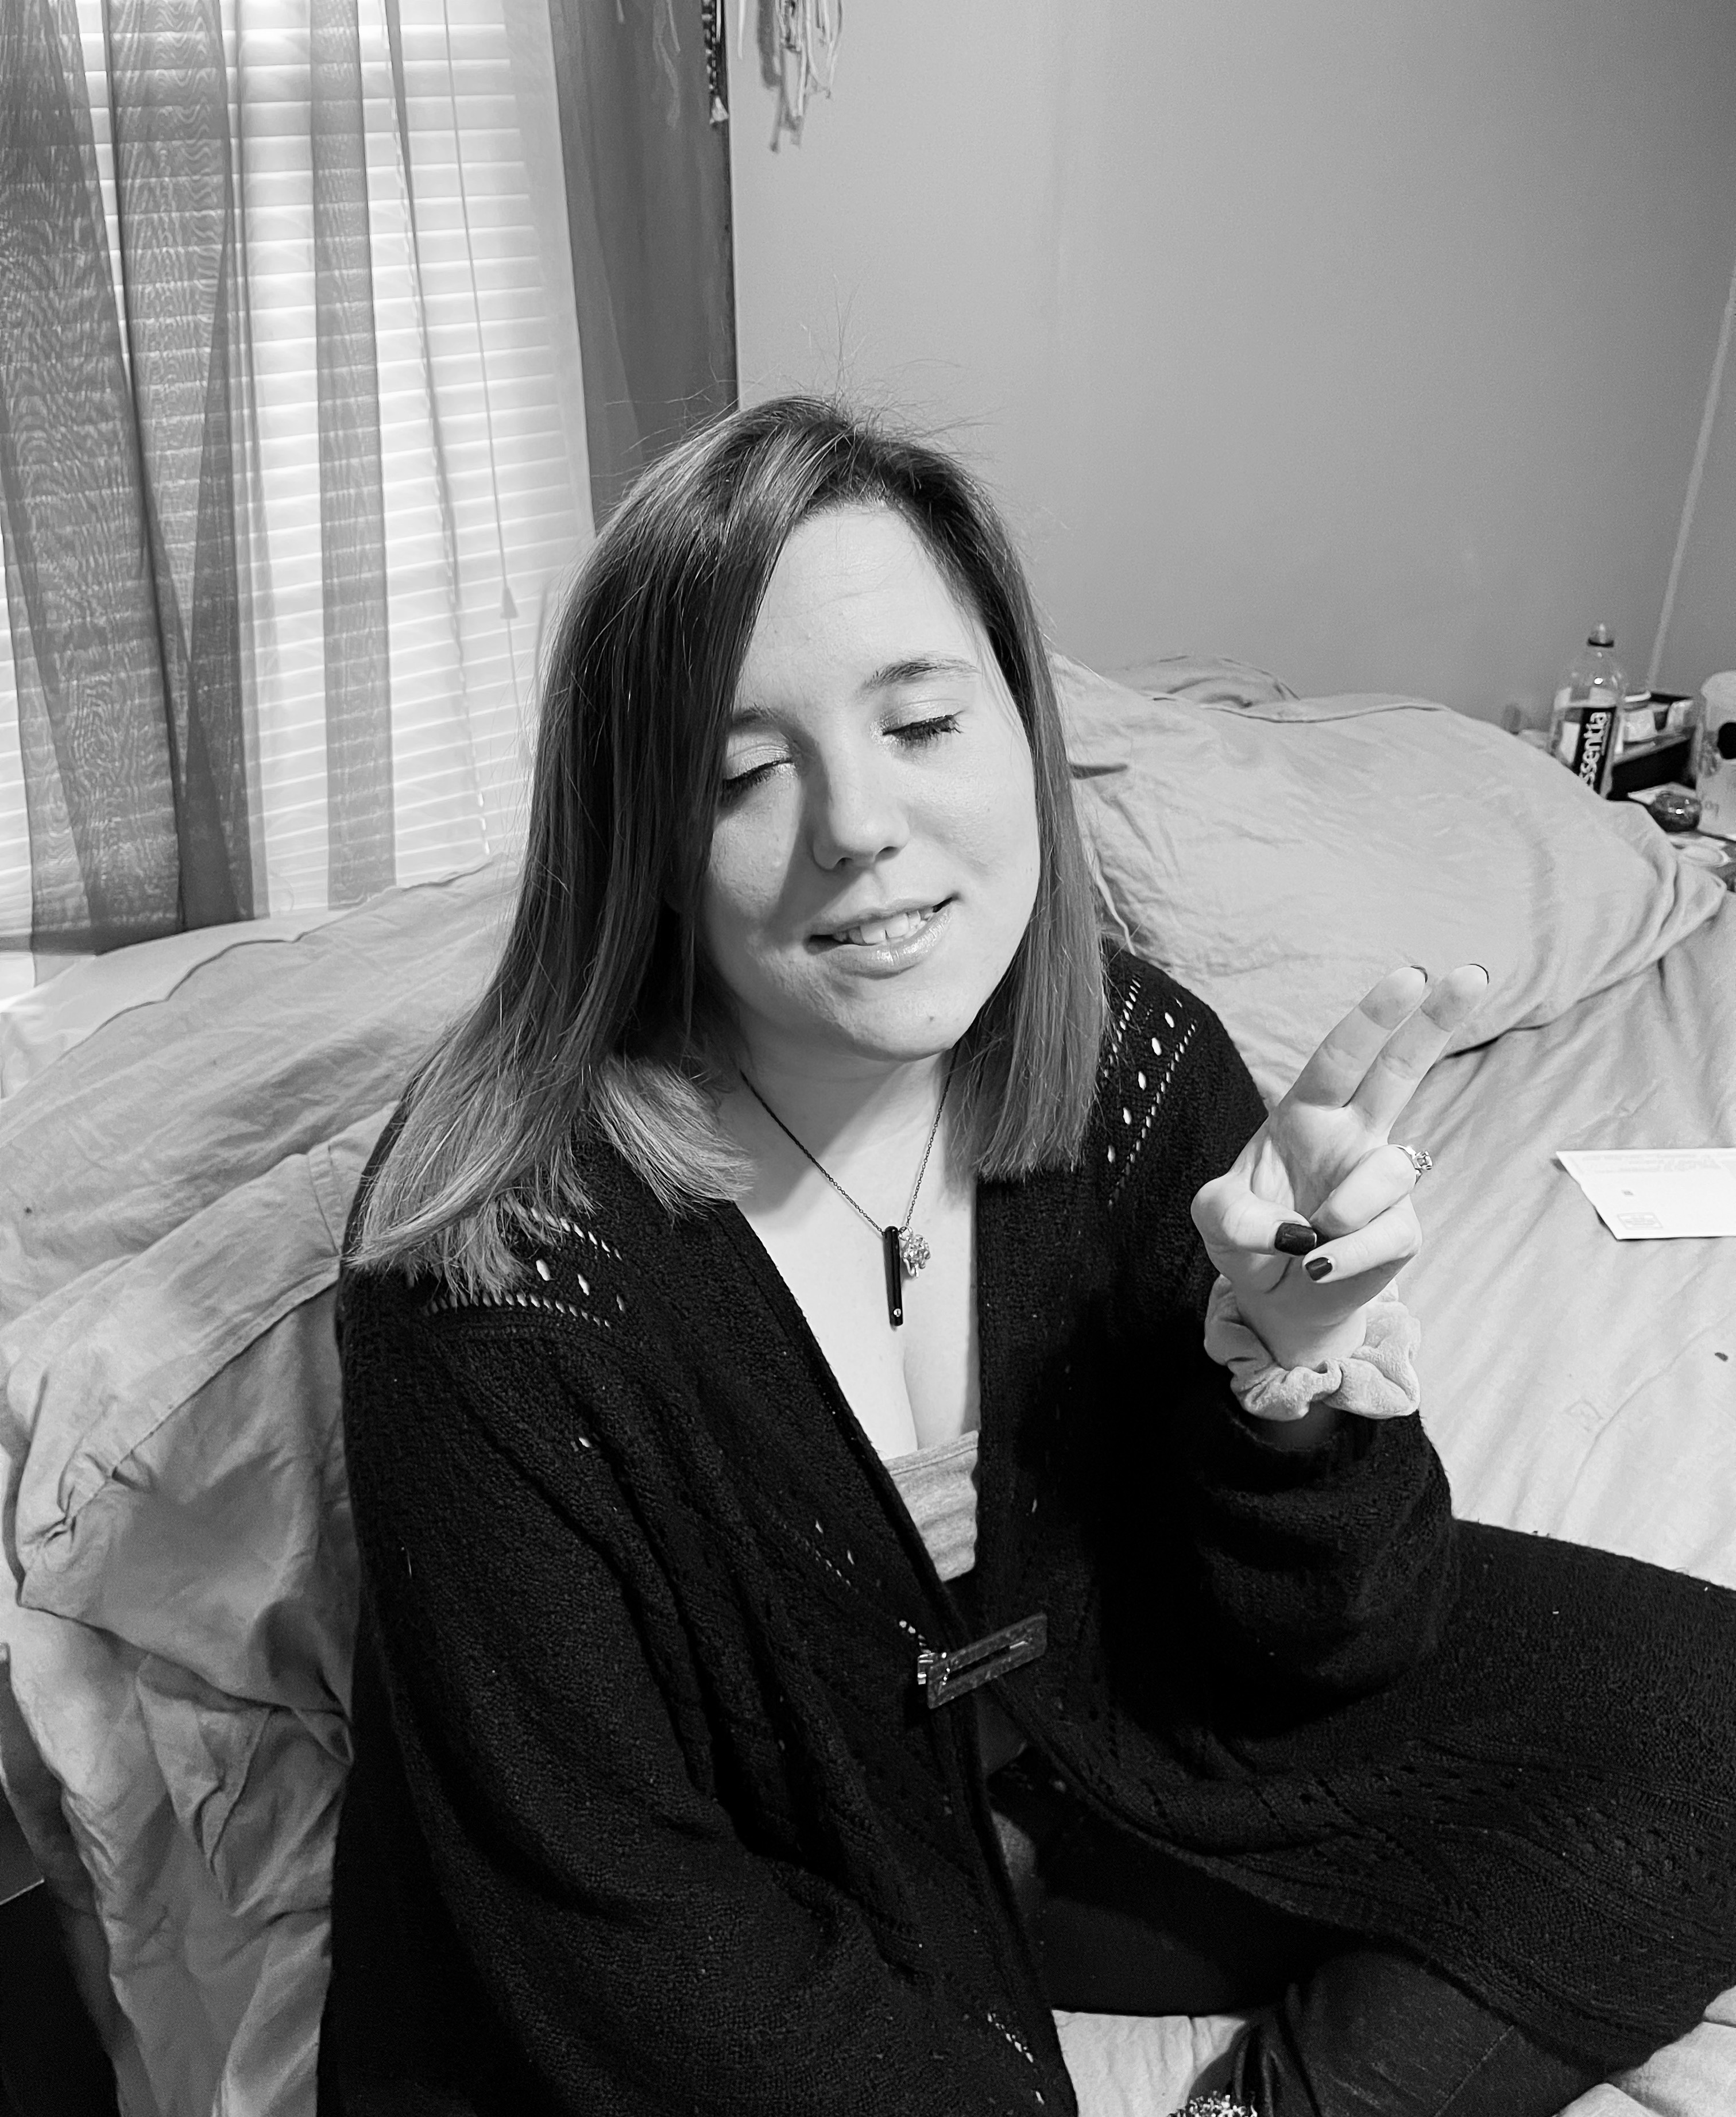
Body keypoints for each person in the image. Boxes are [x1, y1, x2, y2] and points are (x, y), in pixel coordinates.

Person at [319, 397, 1736, 2117]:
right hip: (797, 1868)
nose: (861, 826)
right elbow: (619, 1927)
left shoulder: (1130, 1067)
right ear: (644, 840)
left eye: (923, 722)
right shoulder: (492, 1273)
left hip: (1110, 1759)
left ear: (1023, 730)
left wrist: (1282, 1390)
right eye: (744, 772)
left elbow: (1335, 1641)